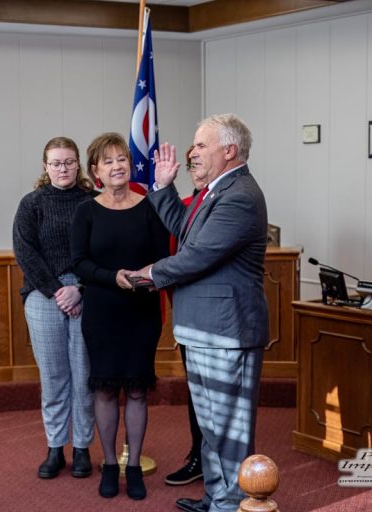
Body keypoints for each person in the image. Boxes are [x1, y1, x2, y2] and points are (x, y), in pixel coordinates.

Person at [130, 114, 268, 512]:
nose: (193, 152)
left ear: (229, 150)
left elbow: (197, 256)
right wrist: (162, 186)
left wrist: (149, 274)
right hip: (203, 330)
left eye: (201, 145)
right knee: (210, 427)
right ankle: (216, 498)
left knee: (229, 430)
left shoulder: (240, 195)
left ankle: (234, 504)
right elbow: (185, 230)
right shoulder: (212, 191)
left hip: (227, 331)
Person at [71, 132, 170, 501]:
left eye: (122, 160)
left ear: (131, 165)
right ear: (96, 170)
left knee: (139, 390)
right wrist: (113, 277)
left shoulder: (149, 207)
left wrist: (142, 275)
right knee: (107, 388)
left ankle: (133, 467)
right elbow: (79, 262)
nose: (117, 166)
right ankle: (110, 464)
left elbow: (163, 259)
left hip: (141, 309)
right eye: (108, 161)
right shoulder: (86, 210)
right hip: (102, 310)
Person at [12, 136, 96, 480]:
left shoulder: (94, 202)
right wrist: (57, 290)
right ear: (45, 167)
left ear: (79, 164)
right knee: (53, 376)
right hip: (43, 295)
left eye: (69, 162)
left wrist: (80, 289)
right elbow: (25, 252)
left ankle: (82, 448)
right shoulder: (32, 204)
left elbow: (103, 250)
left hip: (87, 293)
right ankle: (55, 447)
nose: (63, 168)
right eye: (56, 163)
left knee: (84, 374)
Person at [164, 145, 205, 487]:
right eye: (191, 163)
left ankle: (212, 461)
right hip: (185, 309)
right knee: (196, 392)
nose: (195, 167)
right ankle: (199, 454)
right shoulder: (183, 208)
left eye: (200, 159)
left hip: (212, 315)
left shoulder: (220, 204)